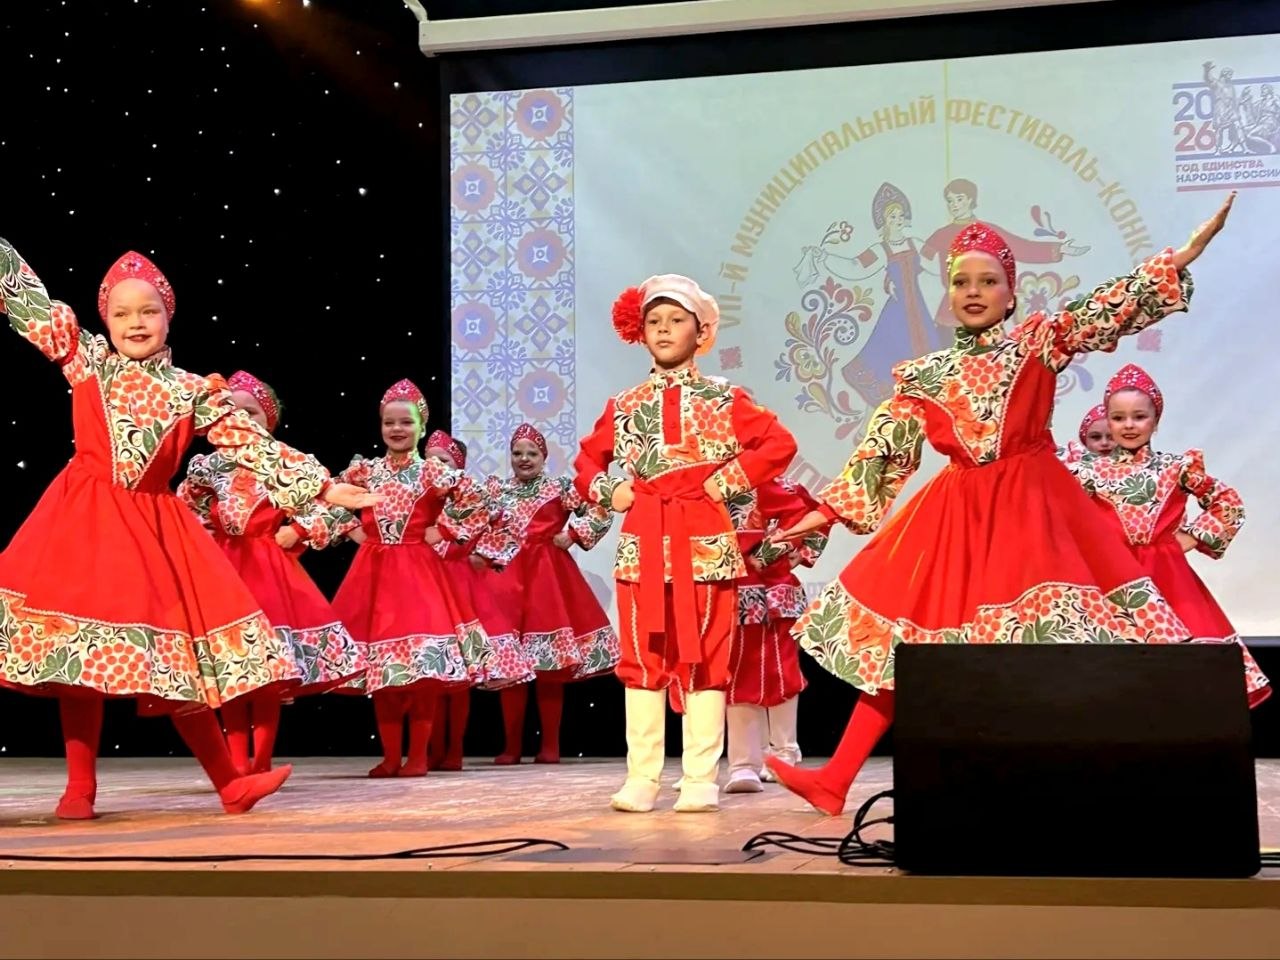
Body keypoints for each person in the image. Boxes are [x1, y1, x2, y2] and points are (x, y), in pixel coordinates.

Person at [765, 194, 1236, 816]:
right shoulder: (924, 376)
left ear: (1012, 294)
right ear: (947, 293)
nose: (974, 291)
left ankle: (1132, 769)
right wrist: (814, 517)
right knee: (910, 646)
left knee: (1072, 639)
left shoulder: (1037, 344)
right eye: (961, 281)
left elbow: (1098, 311)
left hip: (1034, 508)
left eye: (989, 281)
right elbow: (880, 458)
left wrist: (1178, 259)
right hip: (956, 519)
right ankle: (836, 777)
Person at [0, 241, 374, 818]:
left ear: (168, 315)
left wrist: (324, 488)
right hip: (84, 521)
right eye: (121, 313)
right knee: (75, 655)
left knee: (179, 662)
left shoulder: (192, 390)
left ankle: (231, 786)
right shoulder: (88, 361)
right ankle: (79, 790)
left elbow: (251, 443)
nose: (135, 322)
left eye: (147, 310)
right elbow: (32, 305)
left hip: (153, 530)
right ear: (105, 320)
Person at [575, 274, 797, 813]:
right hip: (645, 538)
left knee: (707, 655)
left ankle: (699, 777)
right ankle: (642, 778)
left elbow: (778, 443)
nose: (664, 329)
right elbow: (586, 461)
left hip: (704, 538)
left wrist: (728, 480)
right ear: (640, 334)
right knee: (642, 653)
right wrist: (611, 488)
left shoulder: (724, 397)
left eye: (676, 320)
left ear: (701, 332)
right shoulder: (625, 404)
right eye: (654, 321)